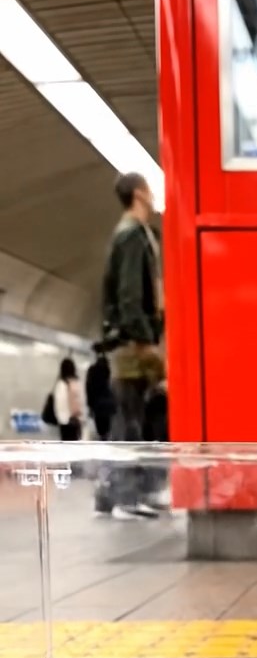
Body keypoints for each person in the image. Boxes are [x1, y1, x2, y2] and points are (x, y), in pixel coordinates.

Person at [95, 171, 164, 520]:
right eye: (149, 190)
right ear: (139, 194)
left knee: (137, 415)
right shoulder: (132, 236)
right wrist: (143, 339)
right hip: (132, 342)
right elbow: (129, 293)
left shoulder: (136, 235)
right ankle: (125, 496)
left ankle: (118, 496)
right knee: (133, 418)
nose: (153, 196)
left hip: (131, 339)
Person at [85, 345, 115, 441]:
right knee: (107, 429)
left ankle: (103, 441)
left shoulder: (92, 370)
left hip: (97, 404)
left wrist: (89, 406)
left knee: (101, 430)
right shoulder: (109, 370)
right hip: (108, 403)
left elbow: (89, 388)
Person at [53, 358, 83, 442]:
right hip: (76, 419)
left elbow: (59, 403)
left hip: (64, 421)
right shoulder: (77, 382)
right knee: (75, 443)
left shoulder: (61, 383)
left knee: (66, 444)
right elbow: (81, 400)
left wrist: (60, 418)